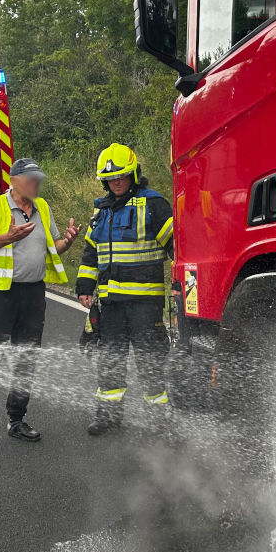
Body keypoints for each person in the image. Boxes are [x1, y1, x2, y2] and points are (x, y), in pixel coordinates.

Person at [0, 157, 80, 457]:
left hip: (33, 294)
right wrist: (7, 237)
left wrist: (67, 242)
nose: (36, 184)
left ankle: (16, 420)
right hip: (0, 294)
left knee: (26, 360)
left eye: (38, 179)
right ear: (14, 181)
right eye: (30, 179)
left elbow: (52, 246)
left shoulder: (43, 207)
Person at [76, 143, 174, 435]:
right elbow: (91, 254)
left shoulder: (153, 204)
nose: (116, 182)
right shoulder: (101, 212)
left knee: (150, 363)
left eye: (121, 176)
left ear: (133, 174)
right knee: (110, 362)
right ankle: (108, 416)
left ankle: (160, 422)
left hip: (145, 304)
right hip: (111, 305)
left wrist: (182, 283)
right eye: (110, 178)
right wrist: (84, 287)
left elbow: (176, 246)